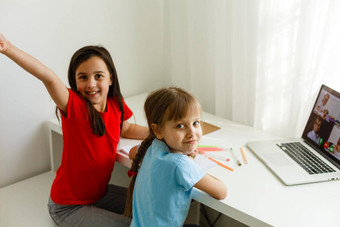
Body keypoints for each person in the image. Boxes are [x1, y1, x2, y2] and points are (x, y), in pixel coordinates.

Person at [0, 33, 148, 226]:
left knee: (148, 206)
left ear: (110, 78)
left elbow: (126, 128)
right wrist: (8, 48)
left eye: (98, 76)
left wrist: (157, 134)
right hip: (67, 207)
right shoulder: (75, 106)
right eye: (83, 77)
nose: (91, 84)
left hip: (99, 195)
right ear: (75, 81)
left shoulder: (115, 104)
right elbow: (48, 77)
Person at [124, 87, 227, 227]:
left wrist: (183, 153)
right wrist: (189, 162)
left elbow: (132, 152)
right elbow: (221, 191)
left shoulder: (151, 147)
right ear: (157, 130)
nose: (192, 133)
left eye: (196, 123)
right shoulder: (179, 164)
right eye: (180, 125)